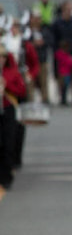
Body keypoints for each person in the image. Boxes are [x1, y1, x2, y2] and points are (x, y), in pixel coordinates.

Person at [0, 45, 28, 193]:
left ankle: (6, 177)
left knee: (8, 143)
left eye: (2, 57)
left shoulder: (11, 73)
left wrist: (7, 85)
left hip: (9, 108)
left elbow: (22, 91)